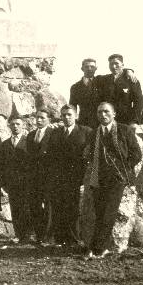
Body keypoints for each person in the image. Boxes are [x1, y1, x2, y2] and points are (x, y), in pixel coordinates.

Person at [83, 102, 143, 260]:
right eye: (100, 112)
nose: (103, 115)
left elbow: (136, 154)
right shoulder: (94, 133)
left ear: (114, 113)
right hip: (98, 179)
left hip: (118, 179)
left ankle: (98, 249)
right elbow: (89, 154)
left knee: (108, 213)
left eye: (106, 112)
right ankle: (97, 247)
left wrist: (122, 170)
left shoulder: (125, 130)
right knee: (99, 213)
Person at [53, 105, 93, 248]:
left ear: (76, 116)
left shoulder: (85, 132)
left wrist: (85, 179)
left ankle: (74, 239)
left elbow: (90, 155)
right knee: (59, 207)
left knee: (74, 209)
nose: (66, 117)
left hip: (78, 177)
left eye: (69, 114)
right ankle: (60, 239)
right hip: (59, 178)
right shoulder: (56, 133)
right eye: (63, 115)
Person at [25, 109, 58, 245]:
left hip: (49, 176)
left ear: (49, 119)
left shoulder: (54, 134)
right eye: (37, 118)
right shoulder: (31, 135)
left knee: (49, 206)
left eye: (42, 118)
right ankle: (39, 235)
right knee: (35, 205)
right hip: (34, 177)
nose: (38, 120)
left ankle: (48, 237)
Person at [0, 117, 31, 242]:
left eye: (18, 124)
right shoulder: (5, 144)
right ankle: (19, 234)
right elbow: (1, 165)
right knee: (15, 208)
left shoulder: (28, 142)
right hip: (11, 182)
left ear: (23, 125)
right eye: (13, 124)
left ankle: (27, 235)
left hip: (26, 182)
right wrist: (3, 183)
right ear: (9, 126)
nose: (15, 126)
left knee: (26, 207)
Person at [99, 54, 143, 127]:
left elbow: (138, 102)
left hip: (126, 121)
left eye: (116, 63)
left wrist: (135, 121)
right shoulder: (104, 80)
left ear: (122, 65)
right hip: (109, 121)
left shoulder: (131, 79)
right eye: (111, 64)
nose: (114, 66)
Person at [69, 58, 101, 130]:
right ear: (82, 69)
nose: (89, 69)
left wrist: (128, 70)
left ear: (96, 68)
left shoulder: (102, 82)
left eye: (92, 67)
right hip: (83, 122)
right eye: (86, 67)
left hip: (100, 122)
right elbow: (72, 107)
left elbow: (114, 74)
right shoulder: (75, 87)